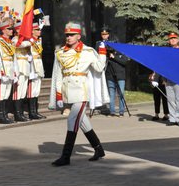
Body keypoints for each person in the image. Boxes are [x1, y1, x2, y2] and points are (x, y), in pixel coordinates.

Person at [49, 22, 109, 166]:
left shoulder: (88, 52)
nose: (68, 37)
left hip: (81, 91)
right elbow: (57, 75)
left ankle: (66, 156)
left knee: (72, 120)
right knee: (82, 121)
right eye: (67, 35)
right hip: (67, 90)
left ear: (78, 36)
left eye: (72, 35)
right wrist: (58, 95)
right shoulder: (60, 52)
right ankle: (98, 148)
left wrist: (102, 52)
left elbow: (100, 68)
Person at [100, 28, 129, 117]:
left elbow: (124, 62)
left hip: (120, 76)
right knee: (111, 94)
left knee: (121, 94)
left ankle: (121, 111)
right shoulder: (107, 54)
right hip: (110, 75)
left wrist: (114, 57)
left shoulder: (122, 52)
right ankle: (112, 111)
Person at [162, 32, 179, 126]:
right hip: (168, 78)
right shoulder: (166, 51)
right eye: (171, 38)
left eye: (174, 38)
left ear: (178, 40)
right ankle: (172, 119)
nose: (172, 40)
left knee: (178, 100)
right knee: (170, 99)